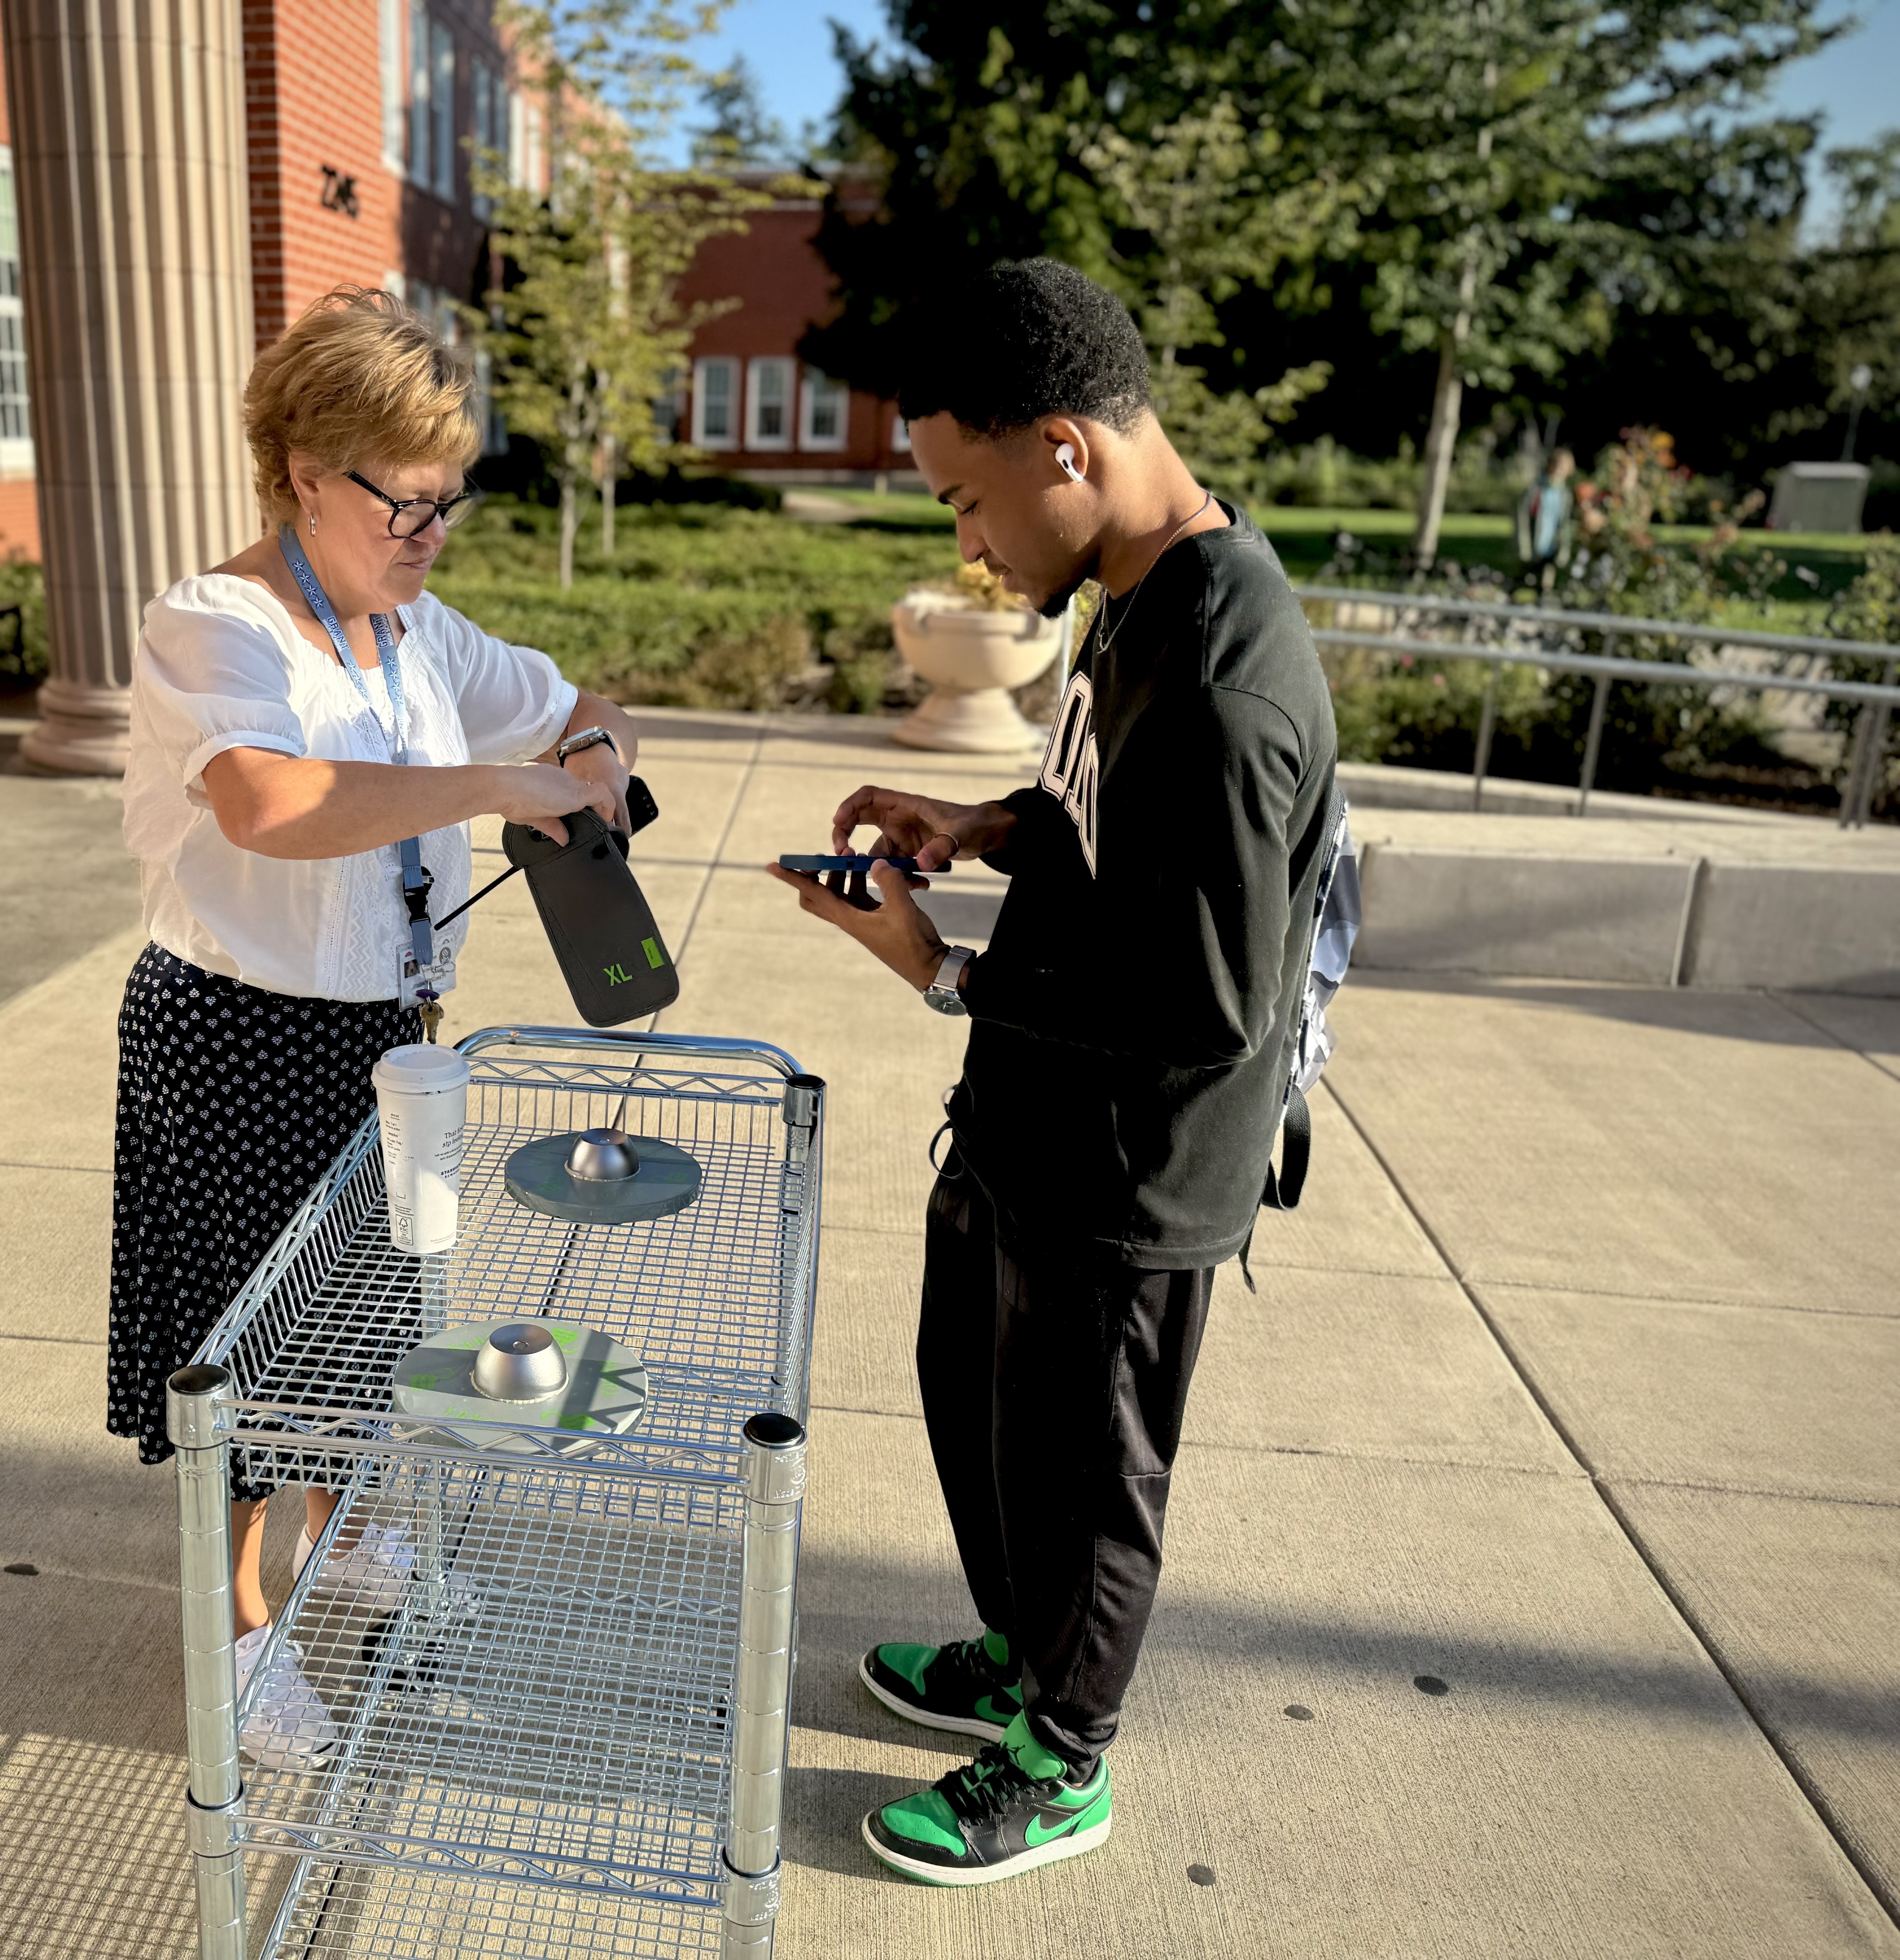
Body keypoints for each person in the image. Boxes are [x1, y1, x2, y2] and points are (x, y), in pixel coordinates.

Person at [773, 258, 1337, 1887]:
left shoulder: (1229, 678)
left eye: (967, 494)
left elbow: (1206, 1002)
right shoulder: (1136, 594)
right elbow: (1101, 815)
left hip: (1132, 1166)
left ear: (1066, 450)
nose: (965, 539)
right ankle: (1021, 1657)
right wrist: (980, 829)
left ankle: (1061, 1754)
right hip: (1033, 1125)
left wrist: (944, 962)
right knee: (987, 1416)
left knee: (1087, 1477)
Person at [109, 287, 641, 1765]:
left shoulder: (413, 630)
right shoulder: (214, 625)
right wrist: (495, 788)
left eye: (447, 501)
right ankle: (244, 1646)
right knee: (271, 1372)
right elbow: (269, 803)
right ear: (303, 474)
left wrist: (585, 755)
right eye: (401, 502)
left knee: (370, 1334)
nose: (427, 533)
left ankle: (329, 1544)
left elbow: (579, 702)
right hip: (237, 1034)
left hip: (385, 1037)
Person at [1517, 447, 1577, 589]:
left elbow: (1565, 523)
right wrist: (1523, 544)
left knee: (1546, 584)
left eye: (1563, 467)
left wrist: (1564, 547)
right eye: (1556, 465)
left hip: (1552, 545)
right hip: (1534, 542)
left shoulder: (1566, 495)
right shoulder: (1537, 489)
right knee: (1526, 582)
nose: (1558, 470)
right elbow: (1523, 517)